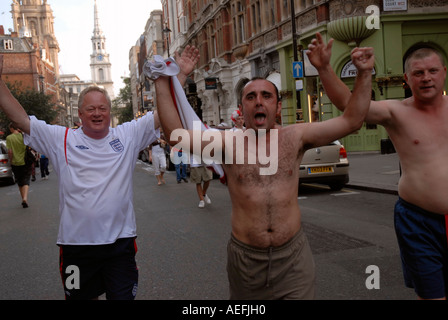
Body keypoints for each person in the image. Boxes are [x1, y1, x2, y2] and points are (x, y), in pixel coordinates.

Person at [153, 42, 374, 299]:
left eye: (267, 96)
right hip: (246, 262)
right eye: (251, 97)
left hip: (293, 259)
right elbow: (175, 137)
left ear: (278, 107)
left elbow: (352, 121)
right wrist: (163, 80)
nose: (259, 102)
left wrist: (363, 72)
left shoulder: (296, 137)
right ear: (242, 109)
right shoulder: (227, 143)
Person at [0, 49, 195, 300]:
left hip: (120, 245)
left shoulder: (126, 135)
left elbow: (163, 112)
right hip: (75, 248)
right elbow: (21, 119)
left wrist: (177, 76)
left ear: (109, 112)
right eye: (90, 109)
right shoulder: (61, 138)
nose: (97, 113)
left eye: (102, 108)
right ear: (80, 115)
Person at [307, 32, 448, 300]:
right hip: (419, 221)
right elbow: (349, 106)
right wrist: (325, 68)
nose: (426, 77)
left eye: (432, 71)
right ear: (407, 79)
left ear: (443, 72)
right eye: (418, 73)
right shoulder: (397, 112)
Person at [6, 123, 31, 208]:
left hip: (15, 162)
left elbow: (10, 151)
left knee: (19, 181)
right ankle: (25, 198)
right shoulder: (23, 136)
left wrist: (11, 160)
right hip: (25, 161)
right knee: (26, 179)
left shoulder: (9, 138)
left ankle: (22, 198)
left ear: (12, 129)